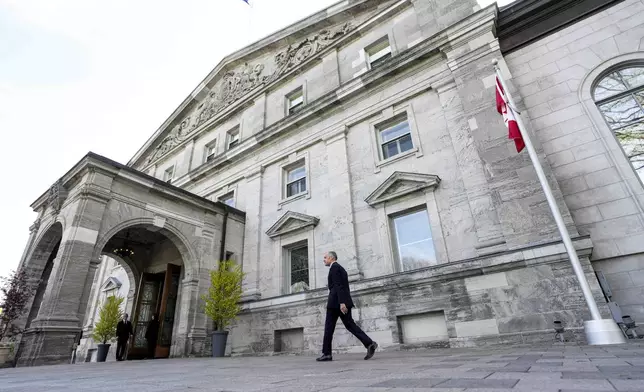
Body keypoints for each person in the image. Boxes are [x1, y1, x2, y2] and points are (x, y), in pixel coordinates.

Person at [317, 251, 377, 362]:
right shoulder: (341, 269)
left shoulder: (334, 268)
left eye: (325, 257)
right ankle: (369, 343)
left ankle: (327, 354)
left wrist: (342, 303)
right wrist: (344, 301)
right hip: (342, 302)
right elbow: (343, 287)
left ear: (331, 258)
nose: (324, 260)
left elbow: (338, 286)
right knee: (350, 325)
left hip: (336, 303)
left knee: (329, 328)